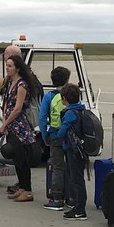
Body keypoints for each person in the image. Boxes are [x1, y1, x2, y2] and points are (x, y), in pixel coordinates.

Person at [0, 53, 41, 203]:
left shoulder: (22, 85)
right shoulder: (10, 83)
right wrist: (4, 121)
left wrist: (5, 124)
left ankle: (27, 190)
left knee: (22, 159)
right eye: (6, 66)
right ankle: (21, 187)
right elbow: (6, 105)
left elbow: (17, 108)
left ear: (17, 68)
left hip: (19, 127)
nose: (7, 68)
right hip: (10, 126)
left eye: (10, 66)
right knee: (16, 158)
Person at [39, 66, 72, 210]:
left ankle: (57, 198)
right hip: (71, 135)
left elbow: (42, 117)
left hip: (55, 134)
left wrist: (45, 135)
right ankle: (71, 197)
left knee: (58, 167)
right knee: (71, 166)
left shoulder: (49, 96)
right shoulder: (71, 93)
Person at [57, 83, 88, 219]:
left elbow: (62, 131)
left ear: (64, 98)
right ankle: (78, 206)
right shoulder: (81, 110)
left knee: (76, 179)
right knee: (78, 177)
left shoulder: (70, 113)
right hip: (82, 148)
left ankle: (80, 209)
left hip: (73, 149)